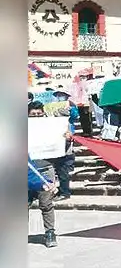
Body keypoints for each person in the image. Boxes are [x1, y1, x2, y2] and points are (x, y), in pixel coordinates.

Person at [28, 101, 60, 248]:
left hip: (45, 169)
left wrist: (66, 137)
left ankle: (50, 232)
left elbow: (62, 149)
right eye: (32, 114)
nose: (36, 116)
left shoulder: (52, 127)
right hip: (24, 171)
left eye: (38, 113)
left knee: (46, 204)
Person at [49, 89, 78, 201]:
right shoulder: (51, 105)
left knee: (63, 166)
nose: (60, 97)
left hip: (67, 134)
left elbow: (75, 116)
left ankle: (65, 192)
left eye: (62, 95)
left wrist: (70, 110)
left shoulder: (71, 105)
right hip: (55, 134)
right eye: (58, 95)